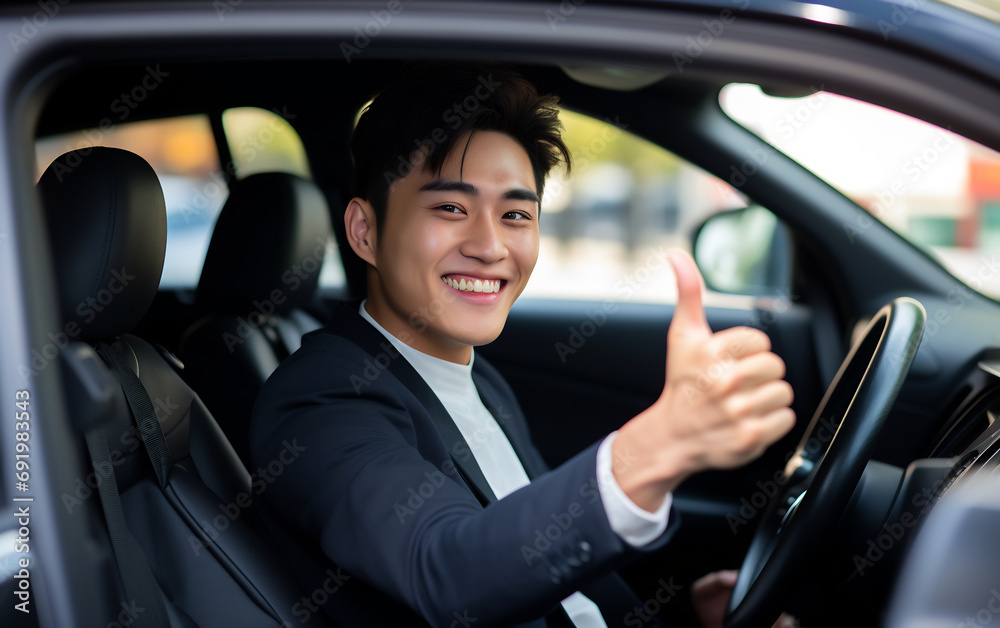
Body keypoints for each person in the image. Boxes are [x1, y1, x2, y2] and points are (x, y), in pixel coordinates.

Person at [249, 62, 796, 628]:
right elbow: (447, 573)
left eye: (515, 215)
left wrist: (686, 616)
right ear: (365, 231)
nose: (490, 246)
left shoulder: (476, 376)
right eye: (451, 209)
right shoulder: (319, 400)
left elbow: (552, 570)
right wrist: (662, 443)